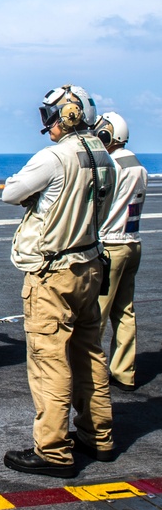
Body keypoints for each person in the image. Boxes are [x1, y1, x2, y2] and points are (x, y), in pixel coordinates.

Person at [2, 84, 117, 478]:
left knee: (49, 360)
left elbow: (11, 192)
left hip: (54, 273)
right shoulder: (104, 157)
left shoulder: (54, 157)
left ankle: (53, 449)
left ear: (67, 115)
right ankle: (98, 436)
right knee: (90, 353)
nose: (48, 122)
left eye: (51, 114)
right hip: (90, 263)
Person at [94, 112, 147, 392]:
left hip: (110, 245)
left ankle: (92, 372)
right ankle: (124, 371)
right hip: (132, 242)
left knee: (97, 313)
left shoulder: (109, 165)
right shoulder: (138, 165)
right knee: (125, 310)